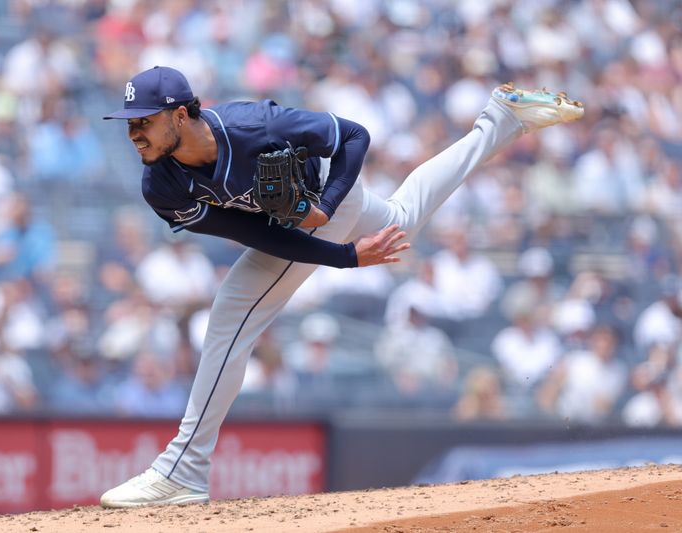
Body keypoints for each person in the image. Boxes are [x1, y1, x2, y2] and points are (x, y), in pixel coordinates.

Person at [98, 66, 583, 507]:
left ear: (180, 116)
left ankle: (183, 471)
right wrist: (344, 256)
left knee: (231, 314)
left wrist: (329, 212)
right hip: (304, 218)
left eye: (144, 120)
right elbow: (259, 235)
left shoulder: (254, 126)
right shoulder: (159, 185)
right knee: (401, 218)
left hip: (329, 191)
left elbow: (354, 135)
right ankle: (500, 120)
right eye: (130, 122)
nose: (134, 131)